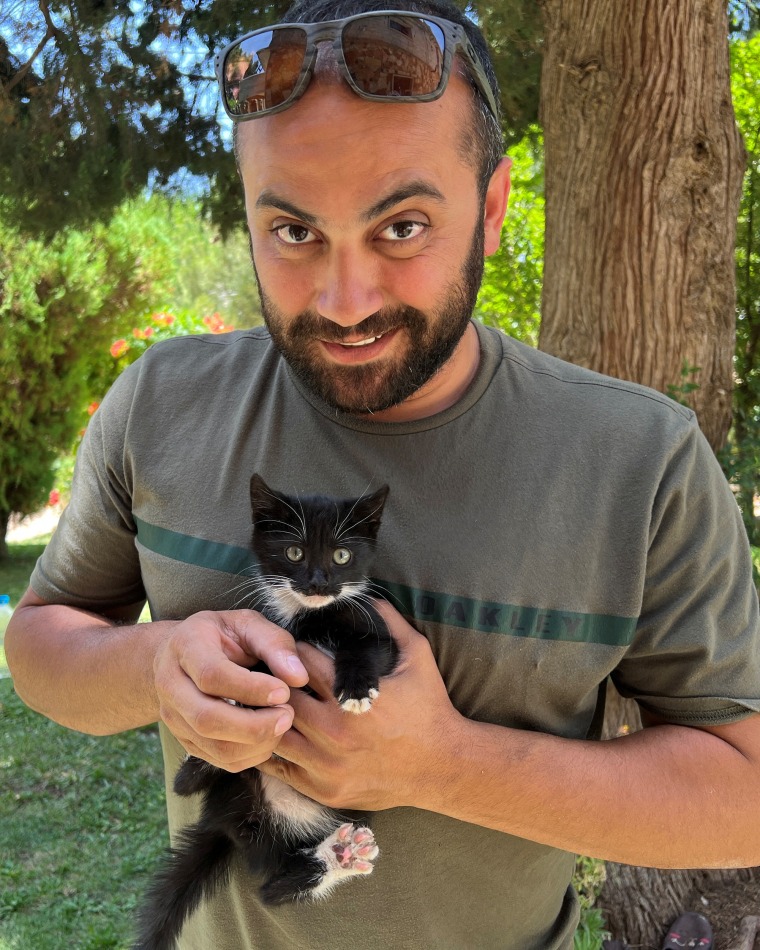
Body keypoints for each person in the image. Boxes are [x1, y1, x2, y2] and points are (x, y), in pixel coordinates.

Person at [6, 0, 760, 947]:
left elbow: (745, 795)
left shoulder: (641, 461)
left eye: (402, 225)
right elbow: (40, 645)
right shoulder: (161, 404)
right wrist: (154, 665)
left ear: (491, 208)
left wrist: (445, 765)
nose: (344, 299)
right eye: (291, 230)